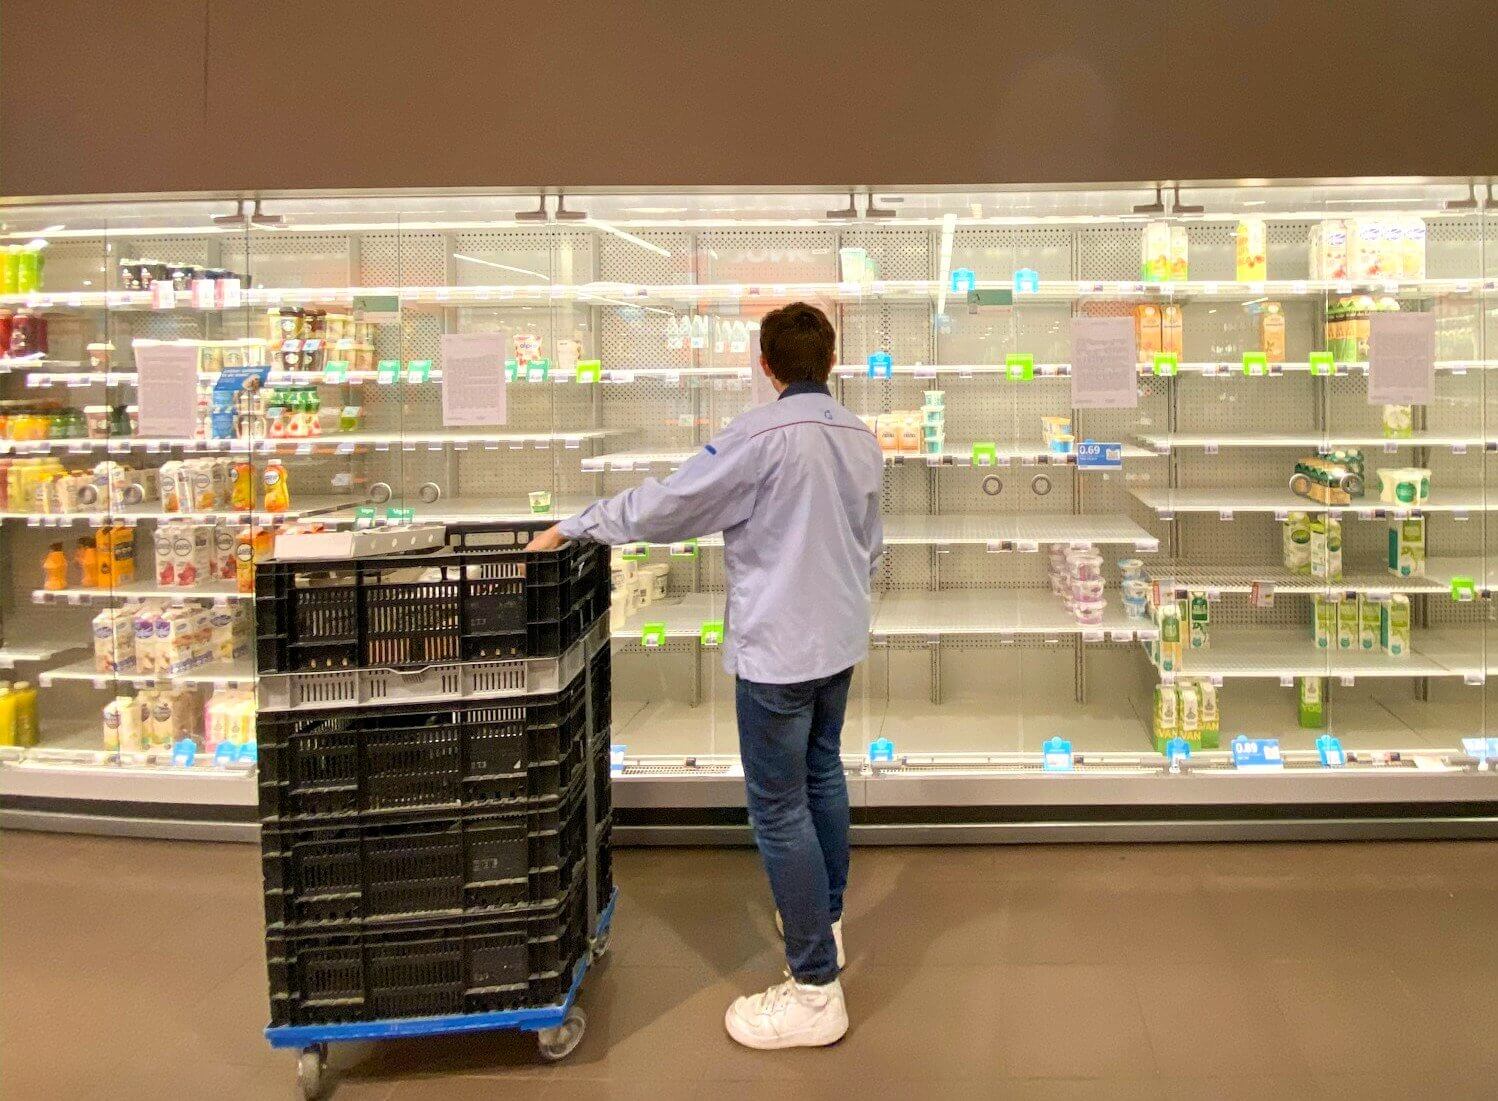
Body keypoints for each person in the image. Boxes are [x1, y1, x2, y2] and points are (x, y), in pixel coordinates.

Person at [527, 301, 883, 1049]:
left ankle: (815, 989)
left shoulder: (759, 436)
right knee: (823, 774)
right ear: (832, 360)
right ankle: (828, 921)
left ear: (766, 364)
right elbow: (867, 542)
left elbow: (669, 505)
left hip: (779, 651)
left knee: (780, 807)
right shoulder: (860, 437)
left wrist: (579, 522)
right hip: (838, 642)